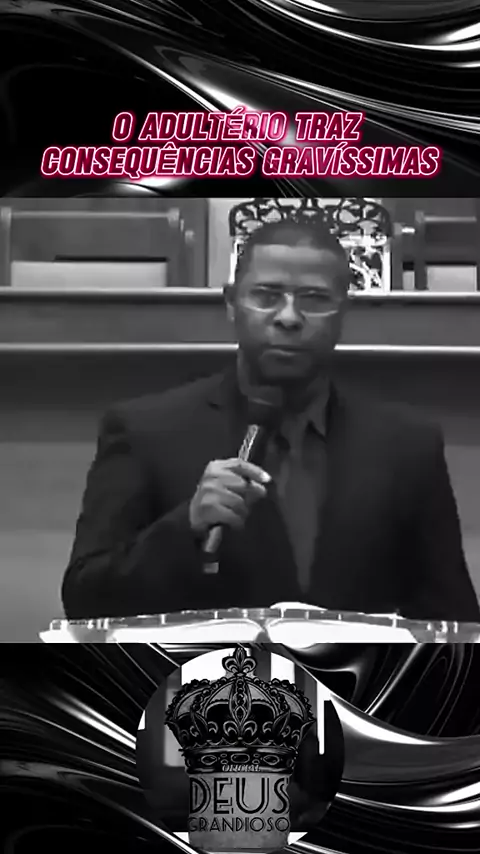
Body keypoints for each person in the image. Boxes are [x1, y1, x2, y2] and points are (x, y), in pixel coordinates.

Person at [61, 218, 480, 623]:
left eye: (314, 299)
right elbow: (85, 601)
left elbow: (454, 620)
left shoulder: (407, 446)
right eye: (266, 295)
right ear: (231, 304)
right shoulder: (145, 431)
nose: (289, 317)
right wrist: (185, 527)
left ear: (343, 311)